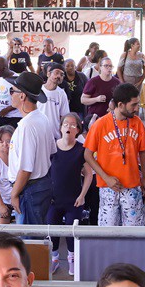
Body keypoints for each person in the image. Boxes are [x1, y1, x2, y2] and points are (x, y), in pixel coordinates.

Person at [84, 82, 145, 227]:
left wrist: (144, 177)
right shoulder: (100, 124)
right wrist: (106, 177)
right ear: (120, 105)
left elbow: (143, 150)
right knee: (108, 232)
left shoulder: (137, 123)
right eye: (133, 105)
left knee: (135, 231)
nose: (137, 108)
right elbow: (87, 154)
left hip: (132, 186)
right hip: (108, 187)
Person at [7, 72, 58, 225]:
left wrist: (14, 194)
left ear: (22, 96)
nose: (10, 95)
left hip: (29, 189)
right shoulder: (42, 118)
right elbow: (52, 152)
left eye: (12, 91)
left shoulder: (27, 125)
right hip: (41, 185)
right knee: (35, 239)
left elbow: (26, 169)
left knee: (29, 241)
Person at [46, 113, 92, 273]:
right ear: (60, 127)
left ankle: (72, 259)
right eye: (66, 124)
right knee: (51, 229)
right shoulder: (52, 147)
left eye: (73, 125)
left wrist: (82, 195)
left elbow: (89, 174)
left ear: (78, 130)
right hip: (53, 199)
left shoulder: (81, 150)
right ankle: (55, 258)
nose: (68, 127)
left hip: (74, 199)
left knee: (72, 231)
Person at [80, 57, 120, 123]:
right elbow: (83, 100)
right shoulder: (93, 81)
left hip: (112, 117)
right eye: (106, 66)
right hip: (95, 117)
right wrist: (96, 99)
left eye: (110, 66)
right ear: (100, 67)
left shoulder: (117, 82)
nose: (109, 68)